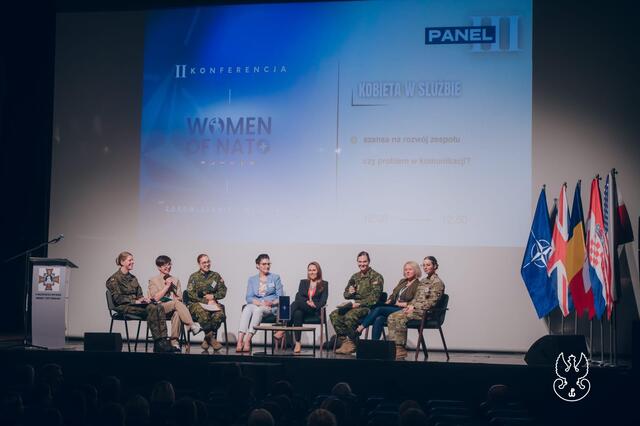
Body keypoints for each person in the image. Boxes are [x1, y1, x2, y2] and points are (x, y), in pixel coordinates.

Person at [106, 252, 177, 353]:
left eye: (132, 260)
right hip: (123, 307)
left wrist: (144, 299)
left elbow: (139, 294)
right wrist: (135, 301)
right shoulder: (114, 279)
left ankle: (163, 341)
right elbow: (118, 299)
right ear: (122, 262)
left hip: (136, 305)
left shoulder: (133, 278)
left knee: (157, 306)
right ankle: (158, 342)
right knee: (152, 308)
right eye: (130, 260)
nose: (133, 262)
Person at [387, 256, 445, 360]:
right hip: (415, 310)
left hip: (426, 313)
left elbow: (431, 303)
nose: (425, 267)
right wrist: (410, 305)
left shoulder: (437, 283)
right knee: (392, 317)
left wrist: (413, 306)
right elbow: (416, 298)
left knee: (400, 318)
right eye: (424, 265)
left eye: (428, 265)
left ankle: (400, 348)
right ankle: (393, 347)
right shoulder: (423, 281)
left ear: (435, 266)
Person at [330, 251, 383, 355]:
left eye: (364, 261)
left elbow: (375, 299)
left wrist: (359, 304)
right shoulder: (355, 277)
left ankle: (355, 343)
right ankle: (346, 342)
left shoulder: (376, 277)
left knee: (350, 315)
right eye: (360, 262)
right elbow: (345, 294)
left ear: (369, 261)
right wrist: (349, 293)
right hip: (355, 306)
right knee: (334, 314)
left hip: (369, 308)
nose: (362, 264)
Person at [355, 261, 421, 340]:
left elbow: (416, 301)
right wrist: (389, 300)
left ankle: (360, 328)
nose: (407, 271)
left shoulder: (418, 285)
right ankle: (374, 344)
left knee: (379, 309)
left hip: (404, 309)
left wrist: (402, 304)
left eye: (410, 269)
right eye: (405, 269)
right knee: (378, 318)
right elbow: (393, 294)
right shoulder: (402, 281)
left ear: (416, 270)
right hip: (393, 306)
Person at [148, 255, 202, 349]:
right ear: (159, 267)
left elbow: (179, 298)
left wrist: (176, 297)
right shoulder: (153, 280)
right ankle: (192, 325)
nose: (168, 267)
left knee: (177, 312)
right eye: (165, 265)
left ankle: (174, 342)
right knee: (176, 304)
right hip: (158, 309)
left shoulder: (175, 280)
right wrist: (167, 287)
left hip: (173, 306)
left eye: (169, 264)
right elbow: (155, 298)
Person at [237, 254, 283, 352]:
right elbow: (248, 297)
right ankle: (239, 341)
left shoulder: (275, 278)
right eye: (264, 264)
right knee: (247, 308)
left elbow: (281, 297)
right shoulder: (252, 279)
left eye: (268, 264)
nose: (267, 266)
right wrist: (259, 302)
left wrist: (272, 302)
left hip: (269, 307)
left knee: (258, 310)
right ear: (257, 265)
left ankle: (247, 340)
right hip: (256, 304)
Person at [280, 262, 328, 354]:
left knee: (296, 303)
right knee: (297, 313)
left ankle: (283, 328)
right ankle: (298, 343)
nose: (312, 272)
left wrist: (314, 304)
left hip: (314, 310)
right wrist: (306, 302)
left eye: (314, 270)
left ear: (318, 271)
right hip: (304, 308)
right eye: (310, 270)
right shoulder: (303, 282)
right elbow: (300, 296)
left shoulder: (324, 284)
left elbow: (323, 300)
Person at [186, 254, 227, 351]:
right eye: (204, 262)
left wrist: (213, 297)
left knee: (220, 315)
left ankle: (206, 339)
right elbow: (190, 294)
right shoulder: (194, 277)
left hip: (212, 304)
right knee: (203, 313)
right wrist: (205, 301)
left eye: (208, 261)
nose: (207, 264)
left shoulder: (216, 276)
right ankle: (212, 339)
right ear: (199, 264)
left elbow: (223, 291)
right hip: (196, 304)